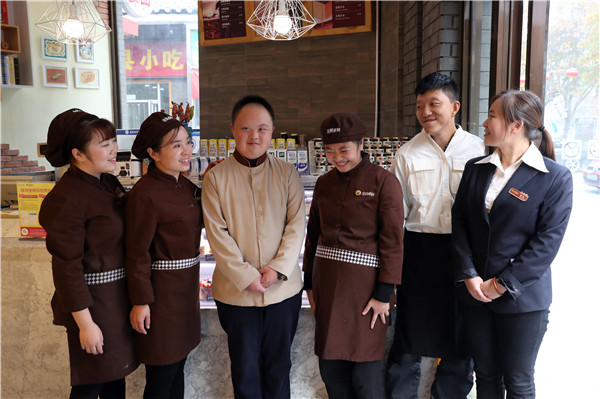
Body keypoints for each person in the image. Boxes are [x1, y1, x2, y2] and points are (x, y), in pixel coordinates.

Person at [452, 89, 573, 398]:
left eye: (492, 115)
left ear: (516, 125)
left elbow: (546, 244)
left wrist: (502, 284)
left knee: (518, 381)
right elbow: (461, 223)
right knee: (486, 377)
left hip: (523, 300)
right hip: (476, 293)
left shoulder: (555, 177)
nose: (484, 122)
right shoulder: (476, 168)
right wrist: (469, 274)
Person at [386, 72, 484, 398]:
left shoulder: (480, 150)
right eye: (419, 106)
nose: (425, 112)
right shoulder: (406, 155)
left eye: (434, 103)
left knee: (461, 339)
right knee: (408, 338)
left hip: (465, 253)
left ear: (454, 106)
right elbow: (396, 216)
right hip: (419, 252)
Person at [201, 95, 305, 399]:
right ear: (233, 129)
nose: (254, 136)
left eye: (262, 128)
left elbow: (296, 225)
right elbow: (216, 232)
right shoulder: (216, 177)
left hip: (283, 291)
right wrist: (246, 276)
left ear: (272, 131)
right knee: (244, 370)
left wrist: (276, 269)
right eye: (246, 128)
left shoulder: (287, 173)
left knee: (278, 367)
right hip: (236, 294)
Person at [303, 113, 404, 398]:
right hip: (328, 287)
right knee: (331, 371)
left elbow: (393, 242)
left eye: (344, 150)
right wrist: (308, 281)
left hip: (367, 293)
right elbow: (313, 235)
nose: (337, 158)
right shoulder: (323, 183)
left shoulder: (384, 182)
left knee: (365, 377)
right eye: (330, 151)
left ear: (361, 145)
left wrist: (384, 292)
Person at [39, 108, 138, 398]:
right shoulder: (66, 198)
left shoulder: (107, 182)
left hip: (115, 300)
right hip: (91, 306)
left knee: (114, 377)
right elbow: (67, 268)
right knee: (89, 383)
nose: (113, 151)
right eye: (104, 145)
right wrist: (86, 324)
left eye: (113, 142)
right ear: (78, 154)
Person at [126, 112, 203, 399]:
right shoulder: (144, 194)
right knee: (161, 374)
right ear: (153, 153)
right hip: (160, 298)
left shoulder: (185, 185)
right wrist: (140, 302)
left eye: (187, 142)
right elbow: (136, 254)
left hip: (185, 292)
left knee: (178, 366)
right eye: (175, 146)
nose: (186, 152)